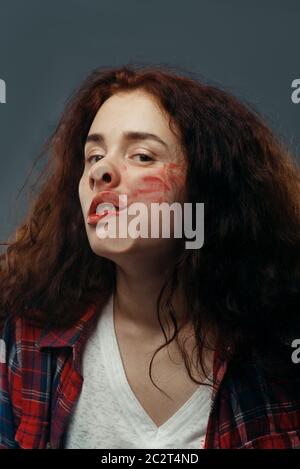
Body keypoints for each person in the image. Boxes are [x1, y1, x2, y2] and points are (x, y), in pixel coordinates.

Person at [0, 64, 300, 449]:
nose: (101, 172)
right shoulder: (27, 341)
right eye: (93, 156)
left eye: (141, 156)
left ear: (206, 187)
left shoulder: (278, 355)